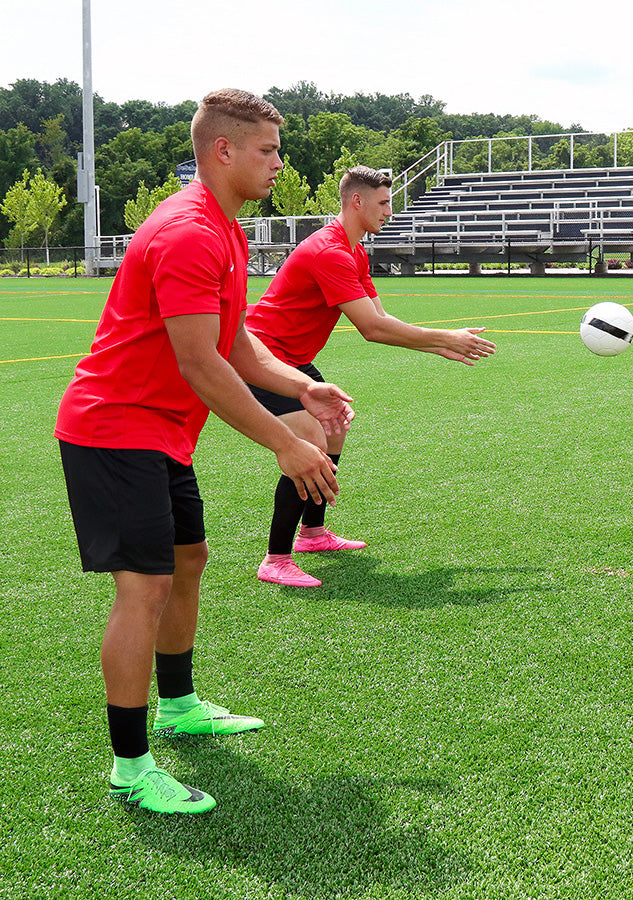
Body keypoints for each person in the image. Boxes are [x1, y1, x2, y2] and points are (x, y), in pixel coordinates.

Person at [55, 89, 356, 815]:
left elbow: (237, 340)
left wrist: (301, 388)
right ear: (223, 151)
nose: (279, 164)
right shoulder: (188, 231)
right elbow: (202, 364)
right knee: (144, 587)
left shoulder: (228, 229)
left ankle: (179, 704)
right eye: (268, 151)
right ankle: (131, 766)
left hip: (159, 433)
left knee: (188, 561)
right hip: (113, 428)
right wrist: (286, 442)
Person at [245, 165, 497, 587]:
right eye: (383, 203)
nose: (389, 211)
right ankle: (275, 558)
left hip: (295, 357)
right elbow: (372, 329)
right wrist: (443, 338)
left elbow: (381, 318)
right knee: (310, 438)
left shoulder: (355, 250)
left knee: (335, 426)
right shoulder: (330, 252)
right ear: (356, 201)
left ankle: (312, 534)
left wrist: (440, 344)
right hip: (262, 357)